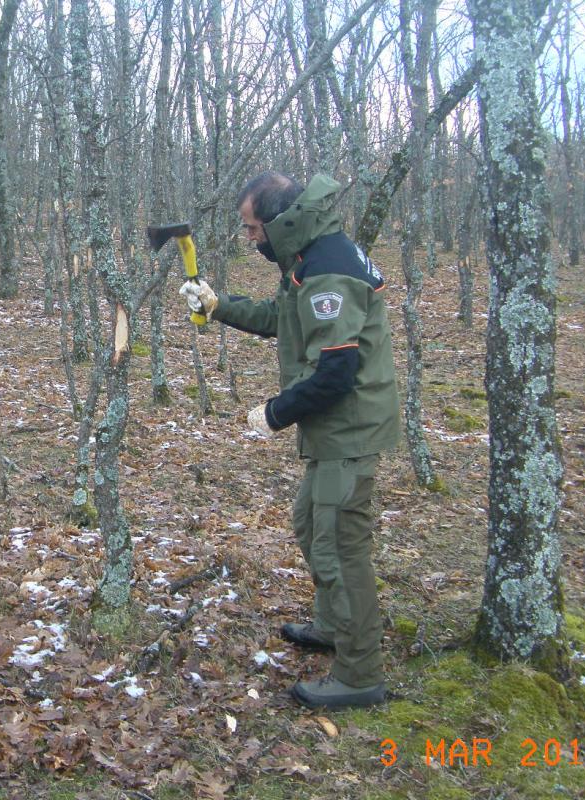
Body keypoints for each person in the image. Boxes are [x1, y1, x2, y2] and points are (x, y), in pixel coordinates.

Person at [179, 171, 400, 710]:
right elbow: (284, 318)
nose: (250, 239)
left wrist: (275, 412)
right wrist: (218, 304)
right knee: (310, 522)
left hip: (348, 428)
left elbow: (335, 374)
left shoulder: (328, 271)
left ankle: (359, 672)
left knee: (340, 547)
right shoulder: (309, 255)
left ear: (282, 222)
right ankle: (331, 626)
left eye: (253, 229)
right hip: (334, 428)